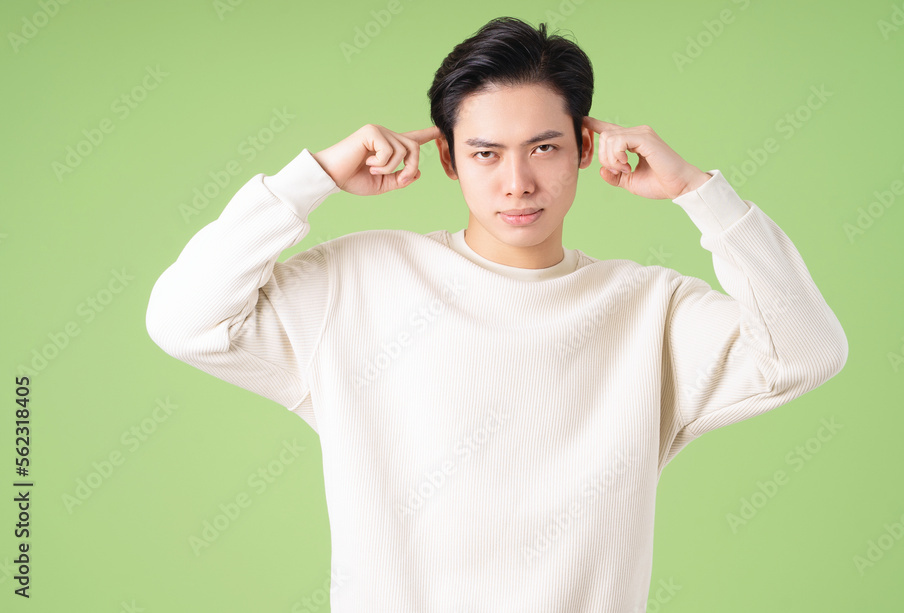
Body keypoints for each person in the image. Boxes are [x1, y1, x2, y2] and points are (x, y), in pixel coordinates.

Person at [145, 15, 848, 612]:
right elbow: (183, 320)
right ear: (448, 157)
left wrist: (699, 192)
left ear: (584, 149)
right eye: (487, 153)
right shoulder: (359, 279)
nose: (518, 183)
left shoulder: (648, 308)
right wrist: (314, 178)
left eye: (544, 148)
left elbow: (807, 351)